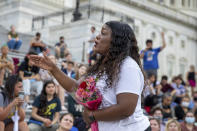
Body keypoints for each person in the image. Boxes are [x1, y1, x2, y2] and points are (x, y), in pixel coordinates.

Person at [29, 21, 151, 130]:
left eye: (103, 33)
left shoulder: (127, 66)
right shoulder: (100, 67)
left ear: (116, 40)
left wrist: (93, 116)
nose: (97, 37)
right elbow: (76, 88)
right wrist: (53, 69)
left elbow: (126, 108)